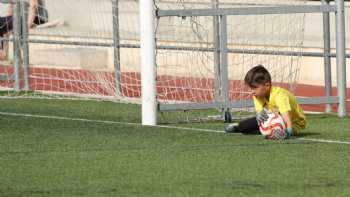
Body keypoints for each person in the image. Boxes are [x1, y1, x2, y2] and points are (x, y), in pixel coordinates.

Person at [225, 65, 306, 139]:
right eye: (250, 88)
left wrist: (288, 132)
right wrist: (258, 117)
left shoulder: (280, 95)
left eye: (254, 88)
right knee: (244, 127)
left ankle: (265, 131)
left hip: (294, 122)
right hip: (274, 117)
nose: (251, 92)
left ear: (267, 85)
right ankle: (239, 127)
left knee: (279, 132)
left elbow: (287, 116)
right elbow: (260, 114)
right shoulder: (257, 95)